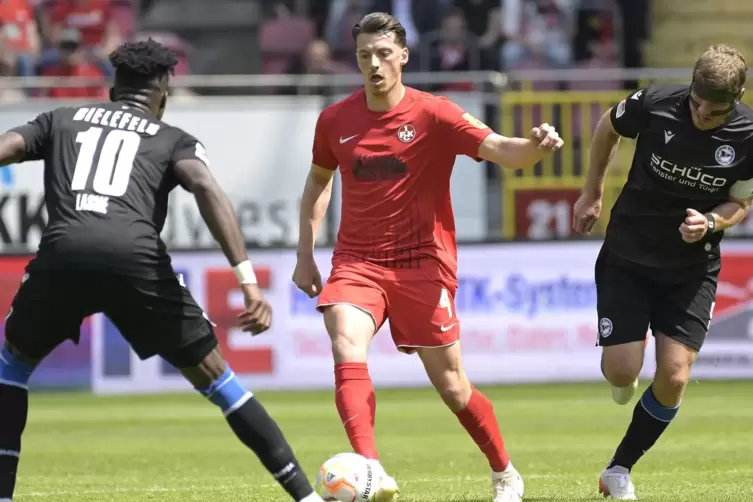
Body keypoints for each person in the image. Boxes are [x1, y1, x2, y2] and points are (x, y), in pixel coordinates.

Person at [0, 39, 323, 502]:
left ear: (115, 89)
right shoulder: (171, 138)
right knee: (217, 380)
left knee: (12, 365)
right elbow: (206, 188)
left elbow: (6, 147)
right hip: (137, 262)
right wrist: (247, 282)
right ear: (162, 95)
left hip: (64, 254)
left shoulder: (60, 119)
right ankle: (306, 498)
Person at [292, 11, 563, 502]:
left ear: (404, 55)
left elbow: (502, 149)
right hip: (356, 262)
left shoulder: (435, 114)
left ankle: (505, 472)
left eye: (382, 54)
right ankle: (370, 469)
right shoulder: (335, 119)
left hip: (422, 263)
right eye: (363, 56)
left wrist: (535, 147)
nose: (373, 64)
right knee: (345, 344)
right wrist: (305, 254)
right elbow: (318, 181)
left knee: (454, 388)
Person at [573, 44, 753, 500]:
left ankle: (618, 470)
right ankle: (622, 372)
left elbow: (741, 202)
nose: (700, 114)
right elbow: (606, 128)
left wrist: (712, 221)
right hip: (628, 255)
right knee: (621, 372)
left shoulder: (750, 135)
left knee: (673, 376)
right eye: (695, 103)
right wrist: (591, 193)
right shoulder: (653, 103)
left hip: (691, 269)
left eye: (713, 112)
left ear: (737, 98)